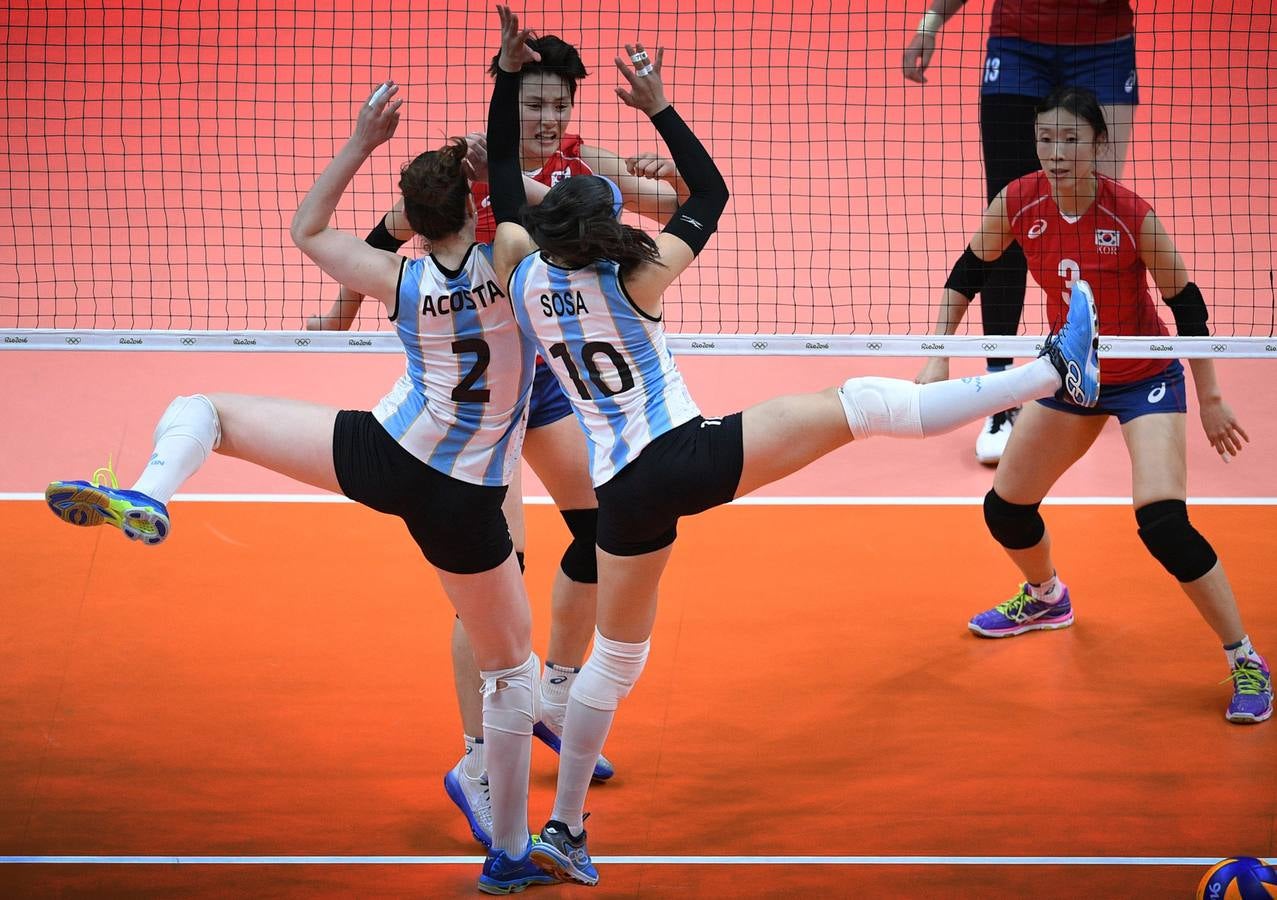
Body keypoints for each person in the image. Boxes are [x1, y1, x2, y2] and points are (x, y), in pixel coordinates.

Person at [484, 6, 1104, 885]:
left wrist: (507, 83)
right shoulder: (639, 274)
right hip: (683, 455)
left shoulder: (521, 269)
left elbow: (508, 186)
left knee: (615, 662)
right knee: (856, 405)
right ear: (607, 226)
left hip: (618, 487)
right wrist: (659, 104)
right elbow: (711, 192)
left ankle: (564, 830)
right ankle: (1048, 374)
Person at [43, 88, 579, 893]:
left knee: (207, 410)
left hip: (385, 452)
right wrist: (499, 163)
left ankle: (154, 492)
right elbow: (548, 218)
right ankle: (507, 855)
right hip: (465, 497)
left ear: (414, 221)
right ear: (473, 214)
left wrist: (364, 140)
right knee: (509, 676)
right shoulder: (513, 269)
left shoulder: (394, 281)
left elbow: (306, 229)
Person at [305, 33, 687, 848]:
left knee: (599, 528)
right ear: (510, 103)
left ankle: (553, 690)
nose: (547, 117)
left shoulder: (592, 168)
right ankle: (478, 756)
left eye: (558, 104)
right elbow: (378, 244)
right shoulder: (471, 174)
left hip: (551, 386)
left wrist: (657, 160)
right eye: (533, 102)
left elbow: (681, 201)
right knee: (495, 571)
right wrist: (339, 317)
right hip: (476, 406)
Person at [915, 86, 1270, 725]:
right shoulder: (1019, 202)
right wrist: (939, 353)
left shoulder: (1130, 213)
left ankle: (1245, 657)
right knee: (1006, 510)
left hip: (1145, 379)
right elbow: (968, 272)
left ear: (1099, 145)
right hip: (1071, 375)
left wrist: (1211, 395)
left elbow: (1187, 306)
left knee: (1162, 521)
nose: (1056, 153)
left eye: (1071, 140)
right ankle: (1048, 597)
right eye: (1046, 140)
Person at [903, 0, 1139, 464]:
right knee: (1010, 216)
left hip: (1104, 47)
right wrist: (930, 23)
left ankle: (1086, 368)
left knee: (1097, 216)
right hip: (1017, 48)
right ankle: (1001, 394)